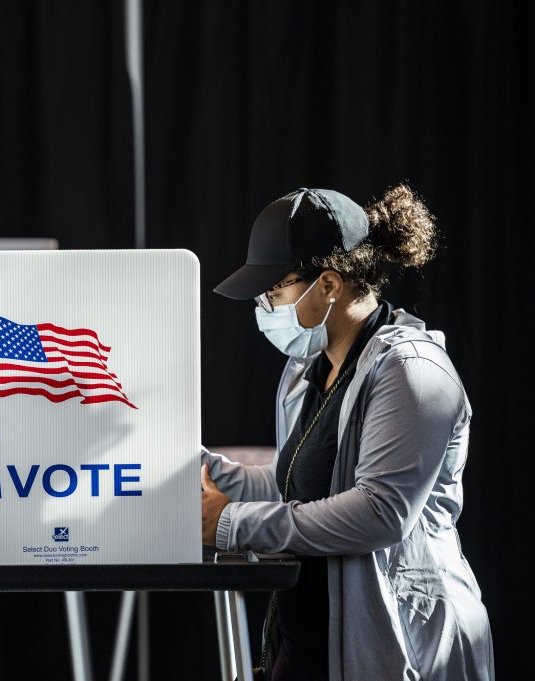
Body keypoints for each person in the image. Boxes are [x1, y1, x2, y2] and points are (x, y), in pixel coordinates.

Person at [202, 186, 494, 681]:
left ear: (330, 285)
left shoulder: (412, 371)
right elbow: (293, 484)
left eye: (275, 290)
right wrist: (193, 466)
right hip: (311, 644)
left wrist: (232, 523)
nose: (264, 305)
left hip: (399, 649)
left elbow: (379, 513)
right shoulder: (308, 370)